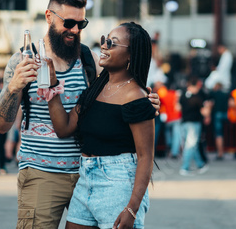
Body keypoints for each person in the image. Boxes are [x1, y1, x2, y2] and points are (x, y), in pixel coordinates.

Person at [0, 0, 160, 228]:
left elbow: (125, 87)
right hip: (42, 173)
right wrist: (13, 87)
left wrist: (150, 102)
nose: (74, 30)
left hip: (87, 173)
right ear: (49, 17)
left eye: (81, 24)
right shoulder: (23, 62)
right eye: (69, 23)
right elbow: (0, 125)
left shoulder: (90, 61)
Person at [46, 22, 155, 228]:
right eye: (105, 40)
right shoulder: (96, 87)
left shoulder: (137, 97)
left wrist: (132, 208)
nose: (104, 46)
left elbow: (146, 157)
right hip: (85, 180)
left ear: (131, 55)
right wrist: (52, 85)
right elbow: (64, 128)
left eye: (112, 43)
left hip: (118, 184)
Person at [179, 77, 211, 175]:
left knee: (193, 145)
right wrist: (208, 106)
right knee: (190, 145)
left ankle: (200, 164)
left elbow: (177, 107)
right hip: (194, 124)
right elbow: (204, 112)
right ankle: (185, 167)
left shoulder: (183, 96)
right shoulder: (197, 98)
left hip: (184, 122)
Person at [209, 82, 229, 160]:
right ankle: (223, 151)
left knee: (218, 134)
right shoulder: (225, 94)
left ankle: (220, 153)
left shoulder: (214, 94)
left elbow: (210, 103)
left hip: (217, 114)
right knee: (224, 133)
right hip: (225, 114)